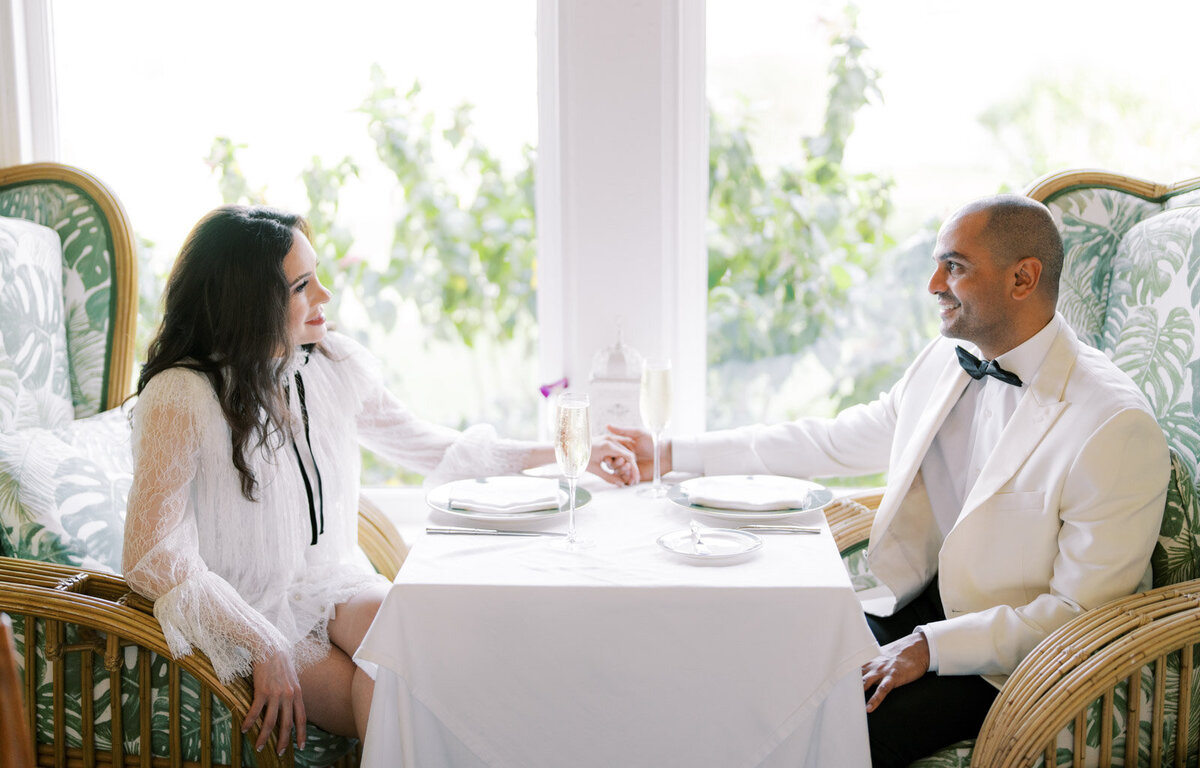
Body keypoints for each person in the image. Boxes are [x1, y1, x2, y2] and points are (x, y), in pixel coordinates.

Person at [615, 194, 1169, 766]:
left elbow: (1079, 619)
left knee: (821, 736)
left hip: (1004, 668)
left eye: (953, 266)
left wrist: (931, 648)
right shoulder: (946, 356)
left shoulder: (1113, 425)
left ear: (1023, 278)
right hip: (909, 605)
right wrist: (671, 452)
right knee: (751, 672)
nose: (932, 283)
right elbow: (832, 440)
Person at [122, 205, 639, 756]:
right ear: (249, 304)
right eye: (302, 286)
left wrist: (563, 454)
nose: (323, 297)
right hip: (250, 609)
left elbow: (427, 444)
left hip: (336, 583)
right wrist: (260, 639)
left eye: (317, 276)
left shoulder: (329, 363)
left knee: (429, 660)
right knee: (409, 699)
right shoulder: (180, 396)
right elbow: (151, 553)